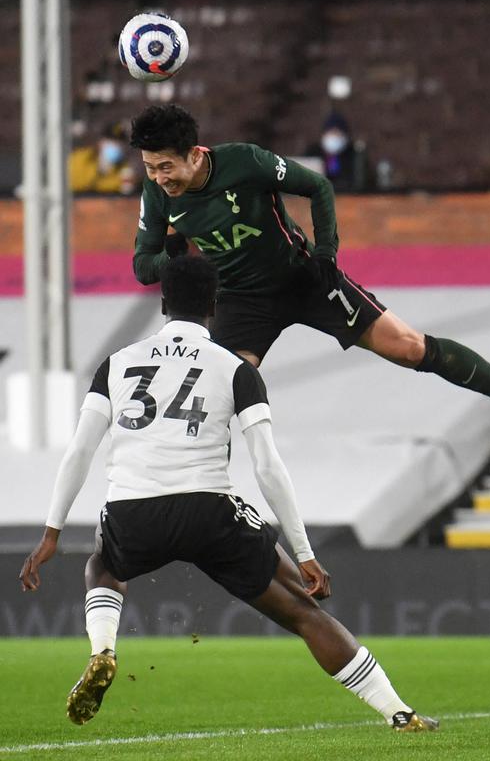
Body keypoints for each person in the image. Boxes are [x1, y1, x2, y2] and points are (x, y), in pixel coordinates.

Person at [19, 255, 438, 734]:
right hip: (208, 512)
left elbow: (79, 452)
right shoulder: (234, 368)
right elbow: (266, 465)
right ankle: (399, 714)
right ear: (215, 304)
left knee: (103, 565)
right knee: (303, 611)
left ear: (162, 303)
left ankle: (103, 651)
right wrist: (304, 553)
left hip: (132, 510)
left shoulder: (116, 364)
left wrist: (51, 533)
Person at [128, 104, 490, 449]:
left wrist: (326, 251)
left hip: (305, 280)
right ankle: (210, 508)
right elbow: (143, 267)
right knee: (222, 397)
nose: (159, 177)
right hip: (240, 302)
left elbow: (318, 187)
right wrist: (171, 254)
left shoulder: (245, 162)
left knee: (409, 348)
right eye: (150, 168)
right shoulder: (158, 195)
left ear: (193, 155)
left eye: (166, 166)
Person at [69, 121, 138, 195]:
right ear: (100, 142)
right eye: (111, 141)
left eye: (119, 143)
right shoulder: (78, 159)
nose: (116, 146)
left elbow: (126, 196)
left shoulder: (125, 172)